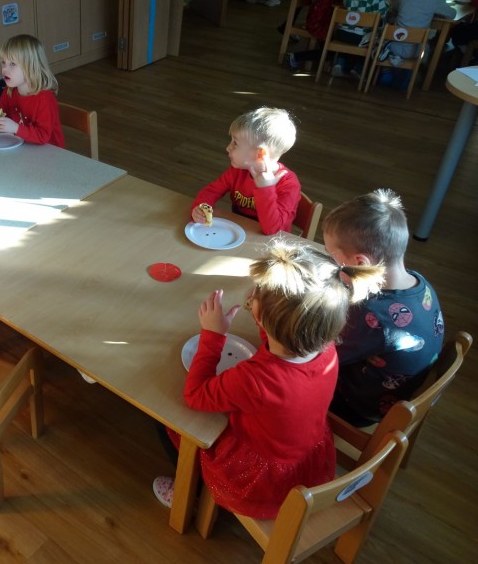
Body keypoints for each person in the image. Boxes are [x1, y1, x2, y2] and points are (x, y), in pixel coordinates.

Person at [152, 241, 385, 517]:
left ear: (260, 314)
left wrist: (213, 335)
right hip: (305, 459)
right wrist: (264, 315)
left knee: (167, 421)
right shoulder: (326, 350)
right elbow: (287, 334)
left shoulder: (256, 379)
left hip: (255, 481)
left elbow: (195, 396)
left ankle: (191, 492)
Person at [322, 189, 445, 427]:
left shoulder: (373, 316)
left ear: (360, 263)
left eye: (333, 258)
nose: (332, 264)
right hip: (394, 393)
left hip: (356, 407)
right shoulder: (419, 282)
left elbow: (317, 352)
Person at [190, 107, 300, 235]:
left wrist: (265, 188)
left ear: (260, 154)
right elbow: (212, 191)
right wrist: (199, 208)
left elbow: (272, 230)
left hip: (268, 242)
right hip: (240, 232)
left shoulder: (289, 184)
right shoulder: (237, 171)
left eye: (235, 143)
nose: (228, 147)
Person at [0, 34, 65, 148]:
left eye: (12, 64)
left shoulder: (45, 99)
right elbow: (3, 119)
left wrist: (16, 128)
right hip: (22, 147)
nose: (4, 69)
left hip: (50, 152)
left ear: (31, 67)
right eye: (3, 63)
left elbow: (43, 136)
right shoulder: (8, 92)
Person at [285, 0, 349, 72]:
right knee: (332, 51)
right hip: (323, 24)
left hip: (313, 20)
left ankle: (317, 60)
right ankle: (296, 57)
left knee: (331, 49)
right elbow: (341, 1)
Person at [386, 0, 455, 62]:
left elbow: (395, 8)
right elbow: (452, 14)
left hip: (392, 46)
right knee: (427, 45)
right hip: (417, 52)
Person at [334, 0, 391, 77]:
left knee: (350, 35)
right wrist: (387, 3)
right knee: (375, 38)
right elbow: (381, 13)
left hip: (342, 33)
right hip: (362, 38)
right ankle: (358, 68)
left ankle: (339, 63)